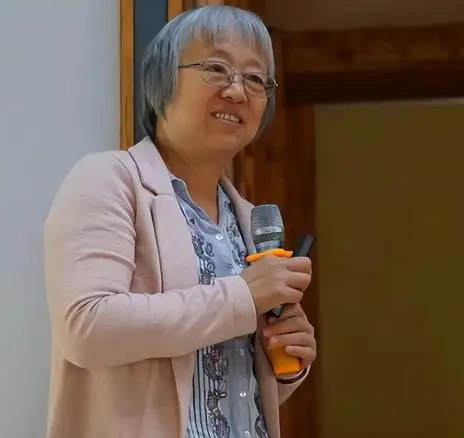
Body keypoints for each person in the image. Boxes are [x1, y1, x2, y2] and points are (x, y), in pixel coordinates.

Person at [43, 5, 316, 438]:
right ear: (163, 81)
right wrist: (242, 298)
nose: (237, 90)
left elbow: (214, 386)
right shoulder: (110, 179)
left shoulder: (246, 218)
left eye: (255, 78)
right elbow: (87, 326)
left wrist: (283, 363)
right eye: (216, 69)